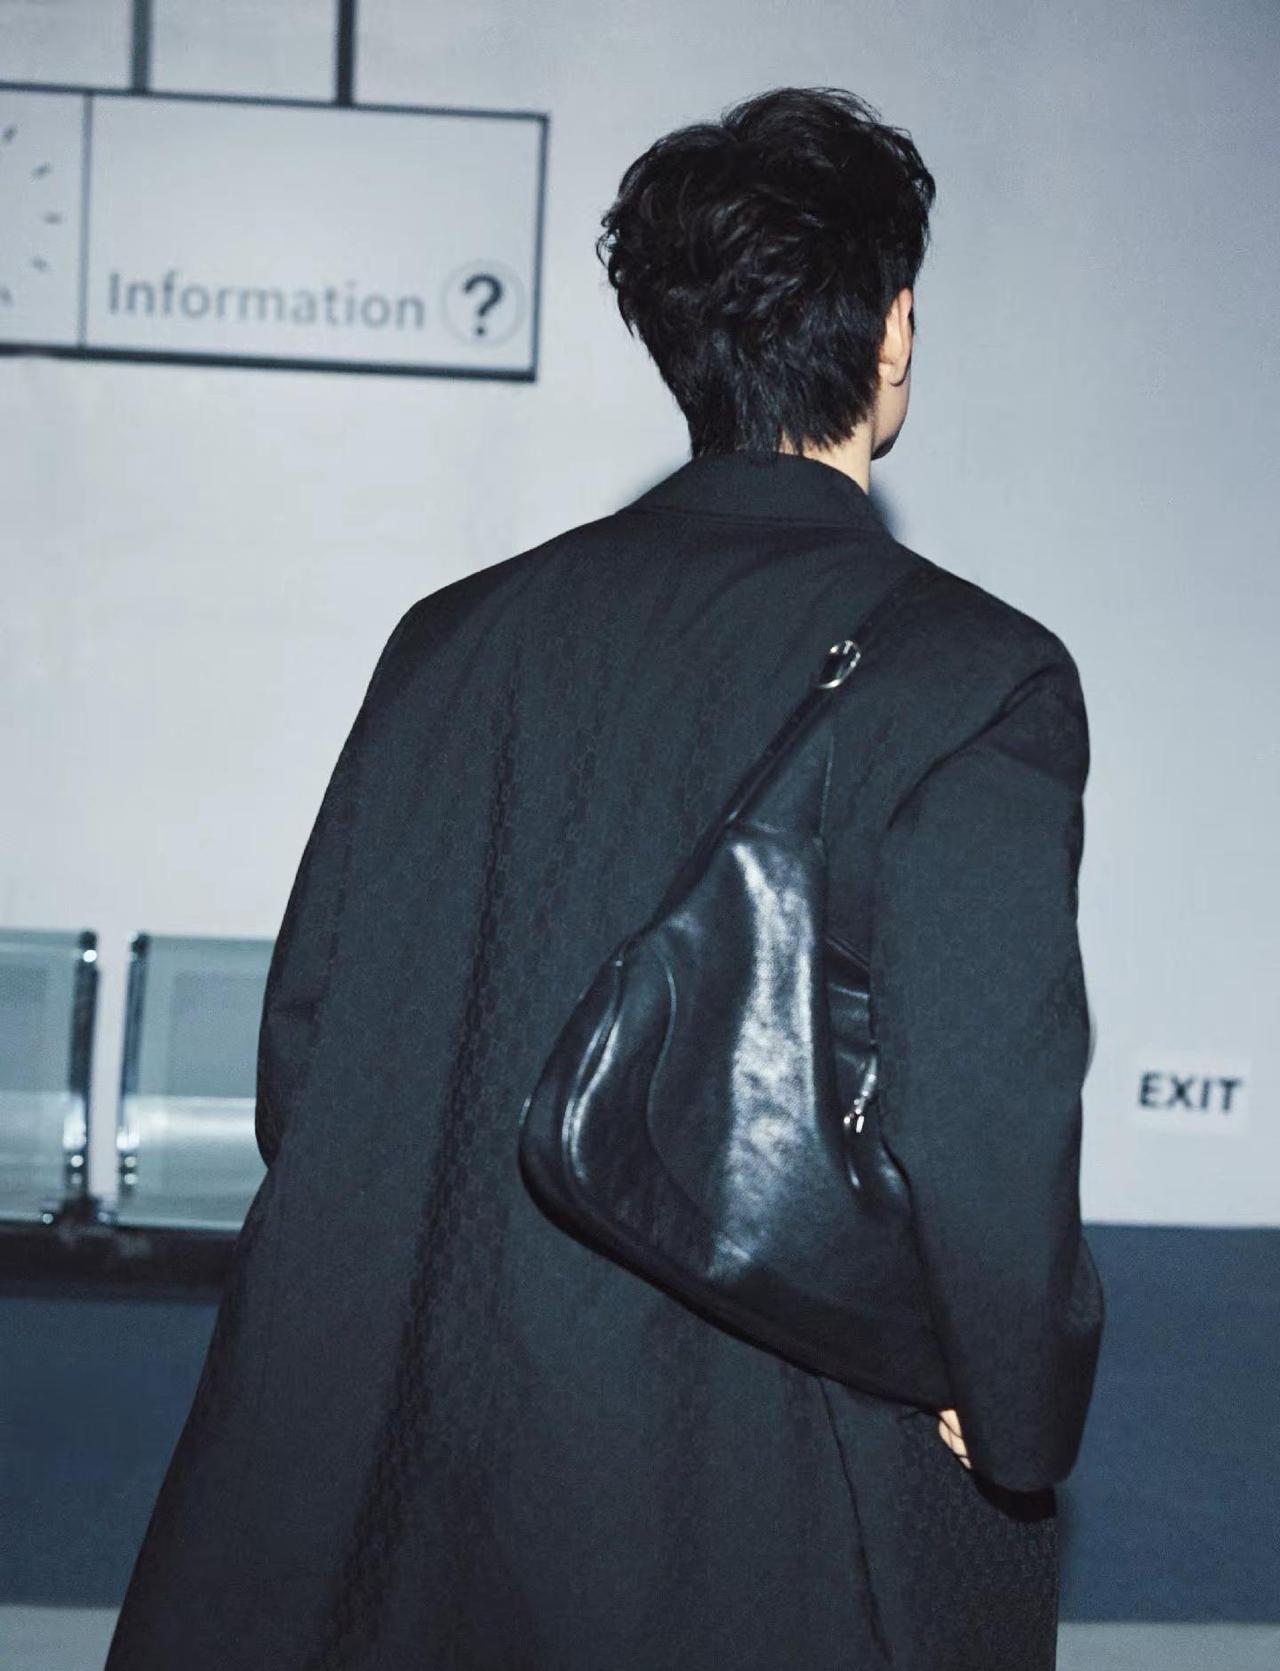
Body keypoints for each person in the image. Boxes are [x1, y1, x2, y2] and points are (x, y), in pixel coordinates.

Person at [105, 84, 1104, 1671]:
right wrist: (1015, 1398)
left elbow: (310, 1052)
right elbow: (985, 1103)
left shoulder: (454, 638)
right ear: (895, 331)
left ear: (674, 344)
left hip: (430, 1444)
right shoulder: (974, 673)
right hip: (775, 1462)